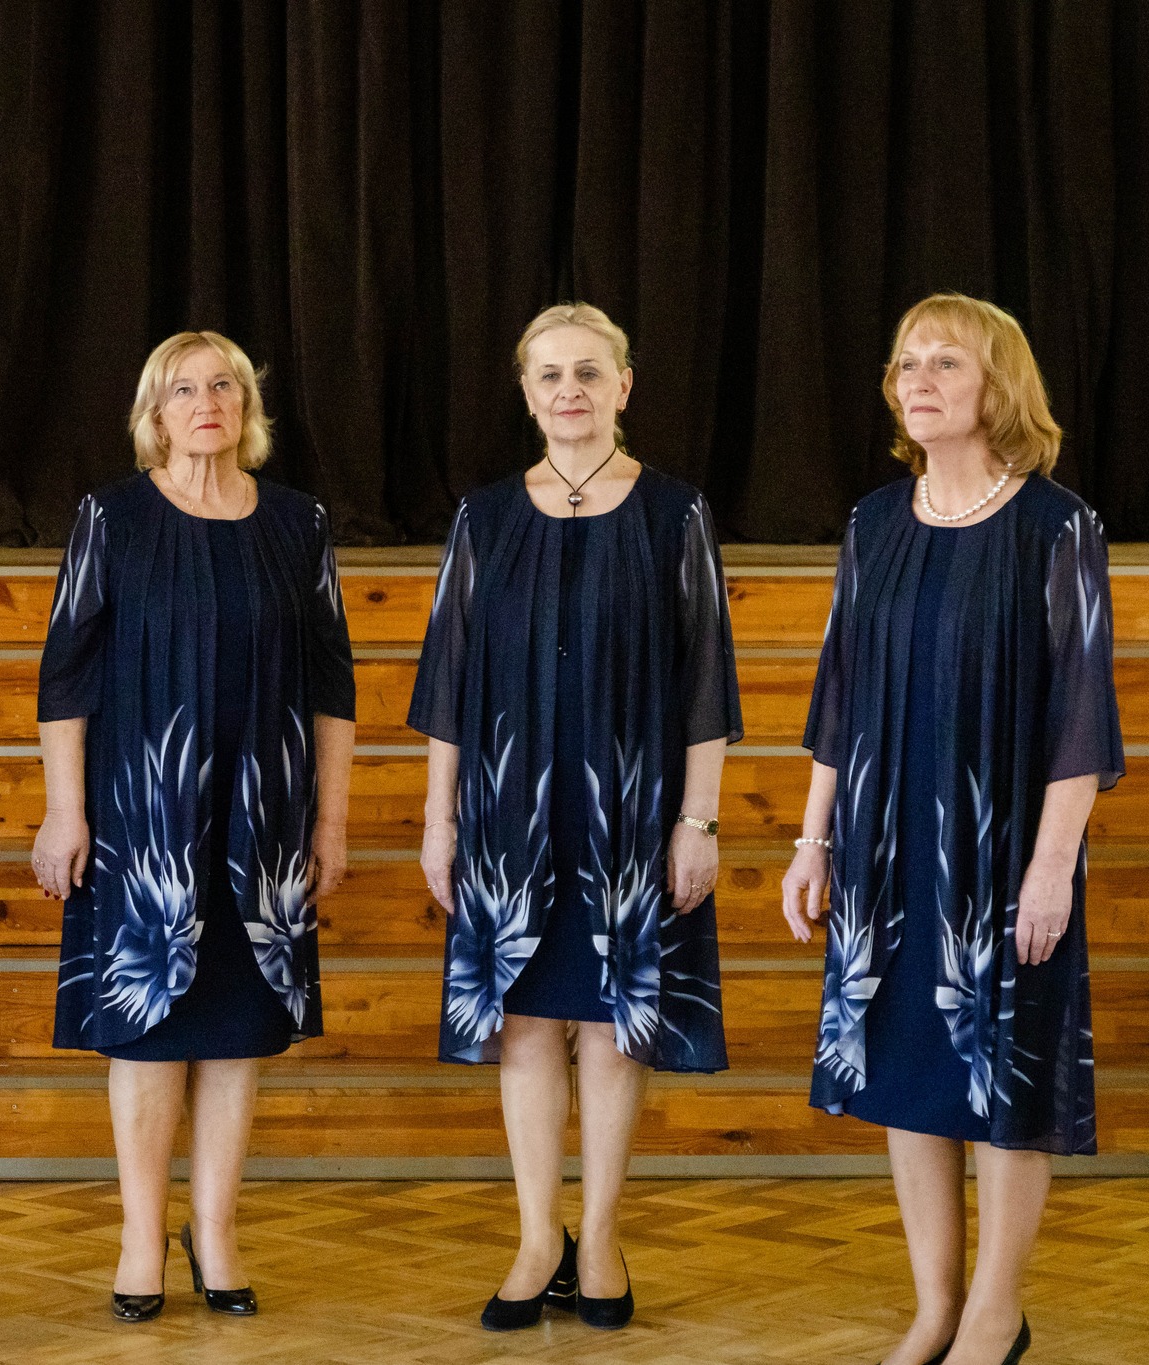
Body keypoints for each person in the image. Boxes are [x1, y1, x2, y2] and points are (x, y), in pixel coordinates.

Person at [782, 293, 1123, 1365]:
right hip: (883, 849)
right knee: (907, 1070)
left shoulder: (1054, 525)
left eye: (945, 363)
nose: (917, 380)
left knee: (1002, 1075)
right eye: (905, 363)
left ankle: (992, 1313)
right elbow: (839, 696)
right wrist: (812, 841)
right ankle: (933, 1305)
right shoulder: (872, 523)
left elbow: (1082, 711)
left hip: (1000, 850)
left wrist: (1052, 867)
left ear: (997, 386)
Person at [407, 302, 741, 1333]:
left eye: (588, 372)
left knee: (608, 1027)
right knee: (522, 1025)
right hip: (506, 813)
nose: (568, 390)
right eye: (549, 374)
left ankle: (597, 1237)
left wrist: (697, 822)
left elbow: (706, 680)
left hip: (628, 815)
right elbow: (448, 683)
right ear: (525, 391)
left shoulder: (674, 513)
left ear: (623, 386)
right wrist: (438, 820)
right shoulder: (484, 518)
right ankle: (533, 1239)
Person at [32, 330, 356, 1322]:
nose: (205, 401)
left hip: (266, 822)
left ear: (247, 407)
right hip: (143, 822)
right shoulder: (113, 518)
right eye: (183, 389)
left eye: (223, 385)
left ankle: (214, 1232)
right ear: (154, 415)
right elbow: (66, 675)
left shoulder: (297, 523)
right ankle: (141, 1238)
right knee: (145, 1033)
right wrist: (64, 809)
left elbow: (332, 684)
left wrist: (331, 822)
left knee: (236, 1033)